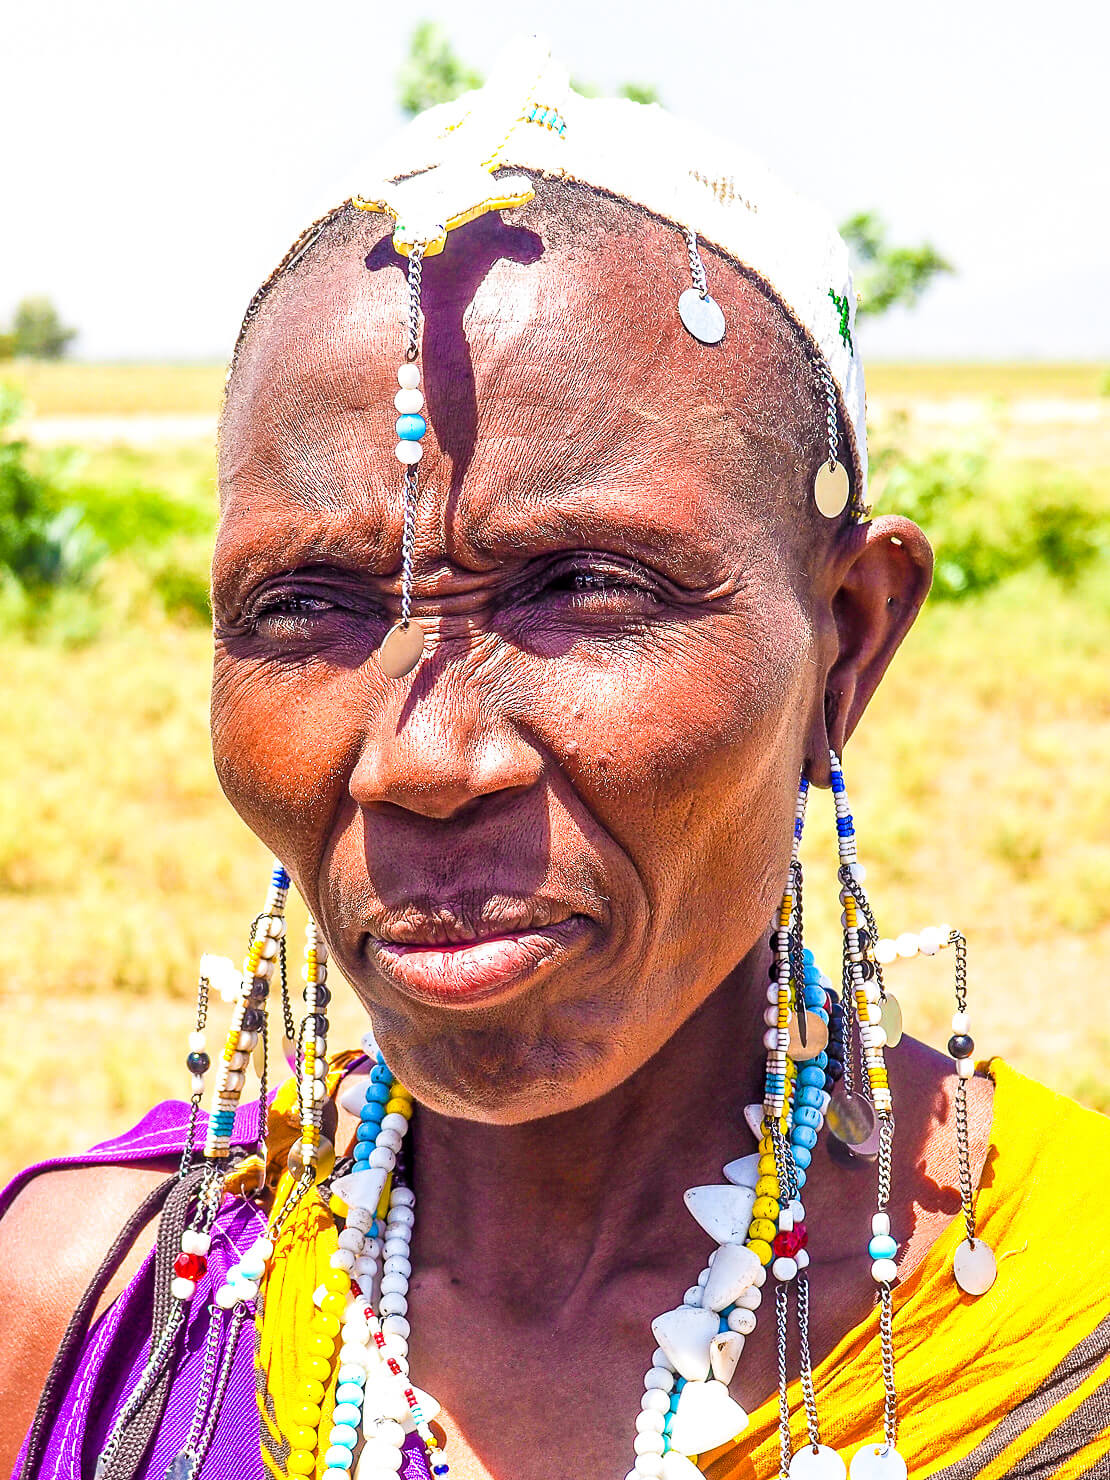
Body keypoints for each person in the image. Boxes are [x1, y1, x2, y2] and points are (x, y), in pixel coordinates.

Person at [3, 40, 1108, 1480]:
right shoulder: (85, 1316)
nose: (424, 757)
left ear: (845, 638)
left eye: (583, 587)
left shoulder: (1054, 1325)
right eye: (303, 606)